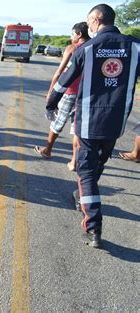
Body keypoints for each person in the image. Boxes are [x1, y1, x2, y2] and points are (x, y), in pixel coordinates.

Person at [46, 4, 140, 248]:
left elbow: (64, 81)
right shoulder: (135, 46)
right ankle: (84, 198)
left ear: (97, 20)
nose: (87, 27)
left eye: (89, 22)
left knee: (86, 173)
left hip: (88, 121)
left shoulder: (87, 48)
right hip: (116, 122)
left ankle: (93, 226)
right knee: (97, 164)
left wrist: (50, 104)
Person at [34, 22, 90, 171]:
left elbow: (59, 72)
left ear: (78, 34)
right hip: (86, 93)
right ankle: (74, 162)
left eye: (72, 34)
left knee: (57, 122)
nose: (71, 37)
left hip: (69, 91)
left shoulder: (72, 48)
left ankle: (47, 150)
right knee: (77, 128)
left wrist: (51, 91)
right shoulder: (93, 48)